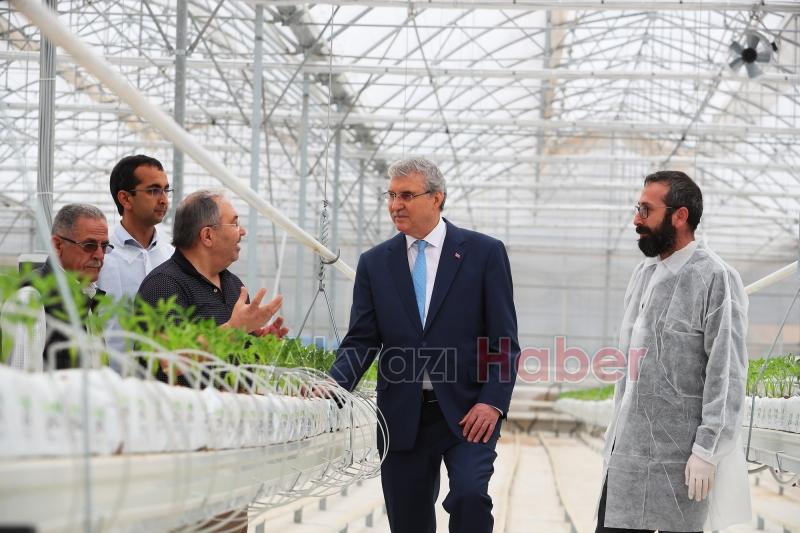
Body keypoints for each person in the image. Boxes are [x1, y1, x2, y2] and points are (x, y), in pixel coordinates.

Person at [327, 157, 519, 533]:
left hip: (469, 412)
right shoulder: (375, 263)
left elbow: (504, 341)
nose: (395, 204)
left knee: (469, 497)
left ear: (437, 198)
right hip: (402, 414)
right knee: (408, 519)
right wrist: (333, 387)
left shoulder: (484, 253)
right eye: (392, 195)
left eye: (407, 195)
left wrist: (492, 402)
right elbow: (362, 340)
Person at [596, 171, 750, 533]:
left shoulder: (715, 278)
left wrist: (706, 450)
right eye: (638, 208)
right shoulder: (644, 274)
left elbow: (726, 371)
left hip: (680, 464)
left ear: (679, 216)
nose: (636, 219)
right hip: (627, 458)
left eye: (646, 210)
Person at [137, 189, 287, 346]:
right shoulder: (162, 286)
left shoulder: (234, 285)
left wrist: (258, 344)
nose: (242, 231)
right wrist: (233, 329)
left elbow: (234, 354)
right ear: (208, 235)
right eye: (235, 224)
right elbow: (170, 358)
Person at [1, 204, 112, 370]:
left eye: (104, 246)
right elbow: (23, 385)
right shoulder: (31, 299)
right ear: (57, 246)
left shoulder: (87, 294)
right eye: (89, 245)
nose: (99, 255)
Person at [98, 154, 174, 354]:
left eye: (166, 190)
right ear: (125, 198)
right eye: (153, 190)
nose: (164, 200)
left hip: (163, 381)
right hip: (109, 378)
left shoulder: (172, 257)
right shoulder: (100, 256)